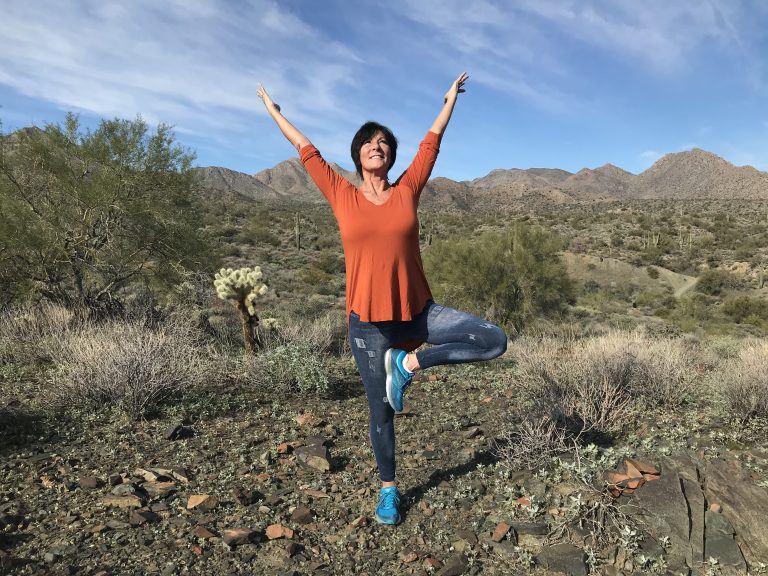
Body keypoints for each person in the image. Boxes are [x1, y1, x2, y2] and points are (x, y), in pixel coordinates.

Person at [257, 73, 507, 525]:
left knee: (492, 340)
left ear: (391, 156)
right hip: (368, 325)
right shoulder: (341, 194)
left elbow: (431, 145)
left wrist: (449, 101)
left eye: (385, 143)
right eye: (370, 143)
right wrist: (275, 113)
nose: (378, 146)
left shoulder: (407, 189)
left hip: (418, 313)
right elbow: (306, 150)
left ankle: (408, 364)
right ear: (358, 154)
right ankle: (388, 490)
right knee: (382, 410)